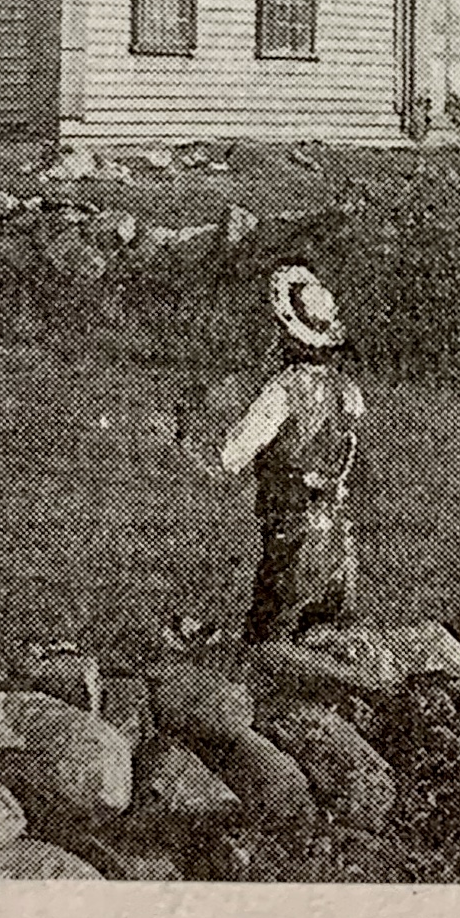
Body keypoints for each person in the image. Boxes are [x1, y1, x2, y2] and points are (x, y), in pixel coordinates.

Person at [184, 265, 367, 645]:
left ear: (287, 335)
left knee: (267, 653)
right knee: (328, 653)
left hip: (293, 543)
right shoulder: (348, 392)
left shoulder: (281, 392)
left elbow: (227, 460)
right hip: (339, 542)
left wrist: (183, 439)